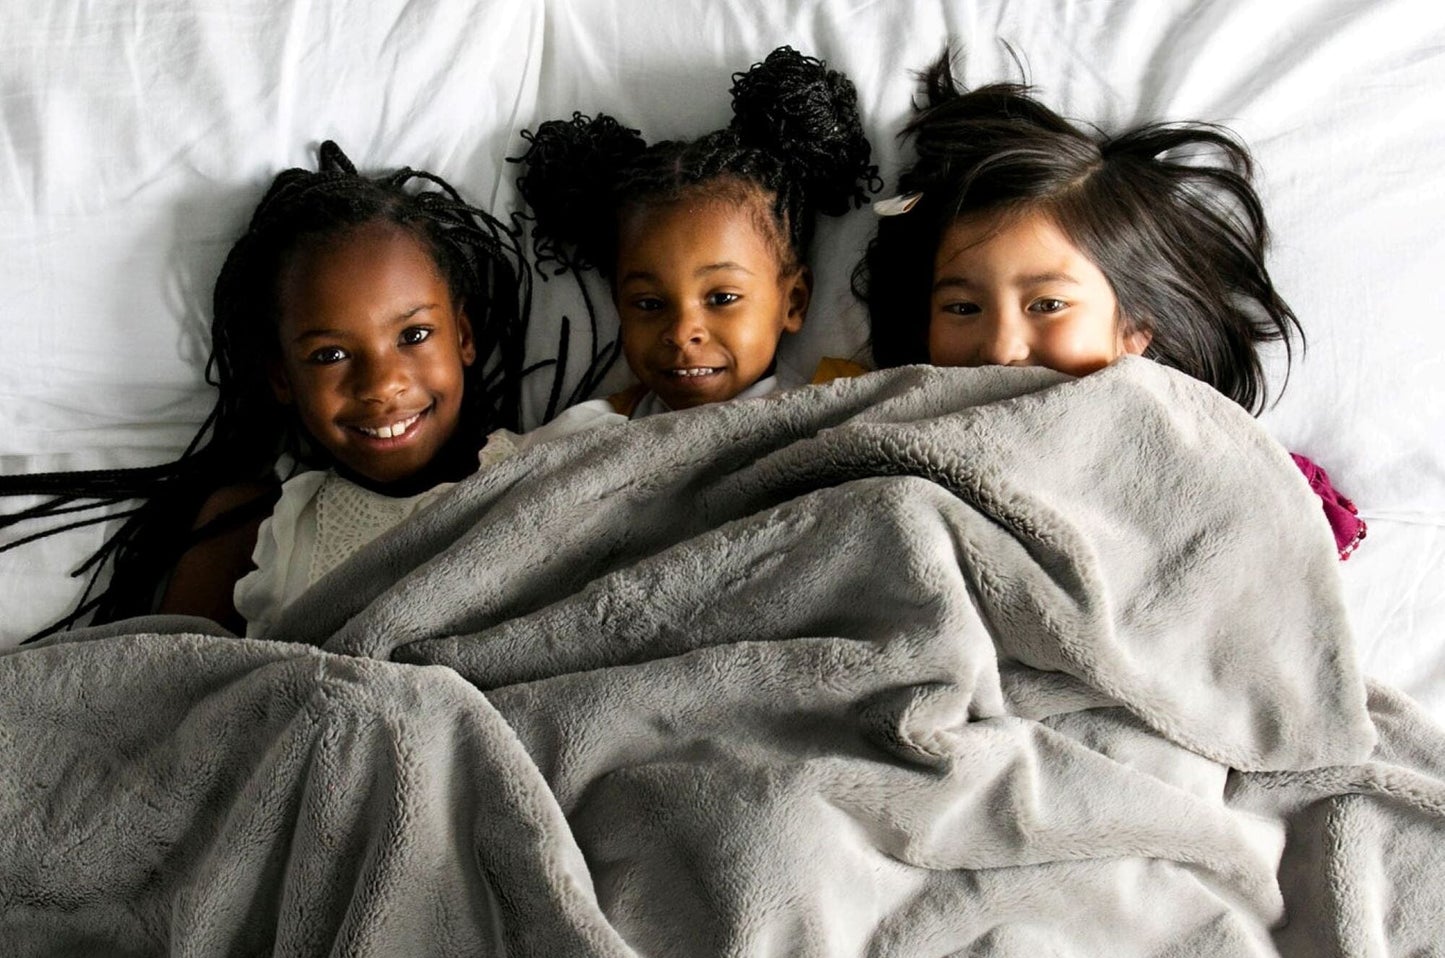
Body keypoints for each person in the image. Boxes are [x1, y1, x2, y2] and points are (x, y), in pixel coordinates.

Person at [1, 141, 535, 634]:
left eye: (413, 335)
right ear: (283, 376)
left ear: (462, 336)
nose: (381, 385)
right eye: (330, 355)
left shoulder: (546, 468)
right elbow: (160, 688)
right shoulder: (255, 526)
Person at [853, 52, 1364, 559]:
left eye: (1048, 304)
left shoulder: (1203, 461)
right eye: (963, 309)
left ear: (1134, 330)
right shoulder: (870, 419)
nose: (1001, 347)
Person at [504, 45, 878, 446]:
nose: (682, 333)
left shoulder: (841, 404)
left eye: (722, 298)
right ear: (618, 303)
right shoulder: (589, 434)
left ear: (793, 301)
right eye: (649, 304)